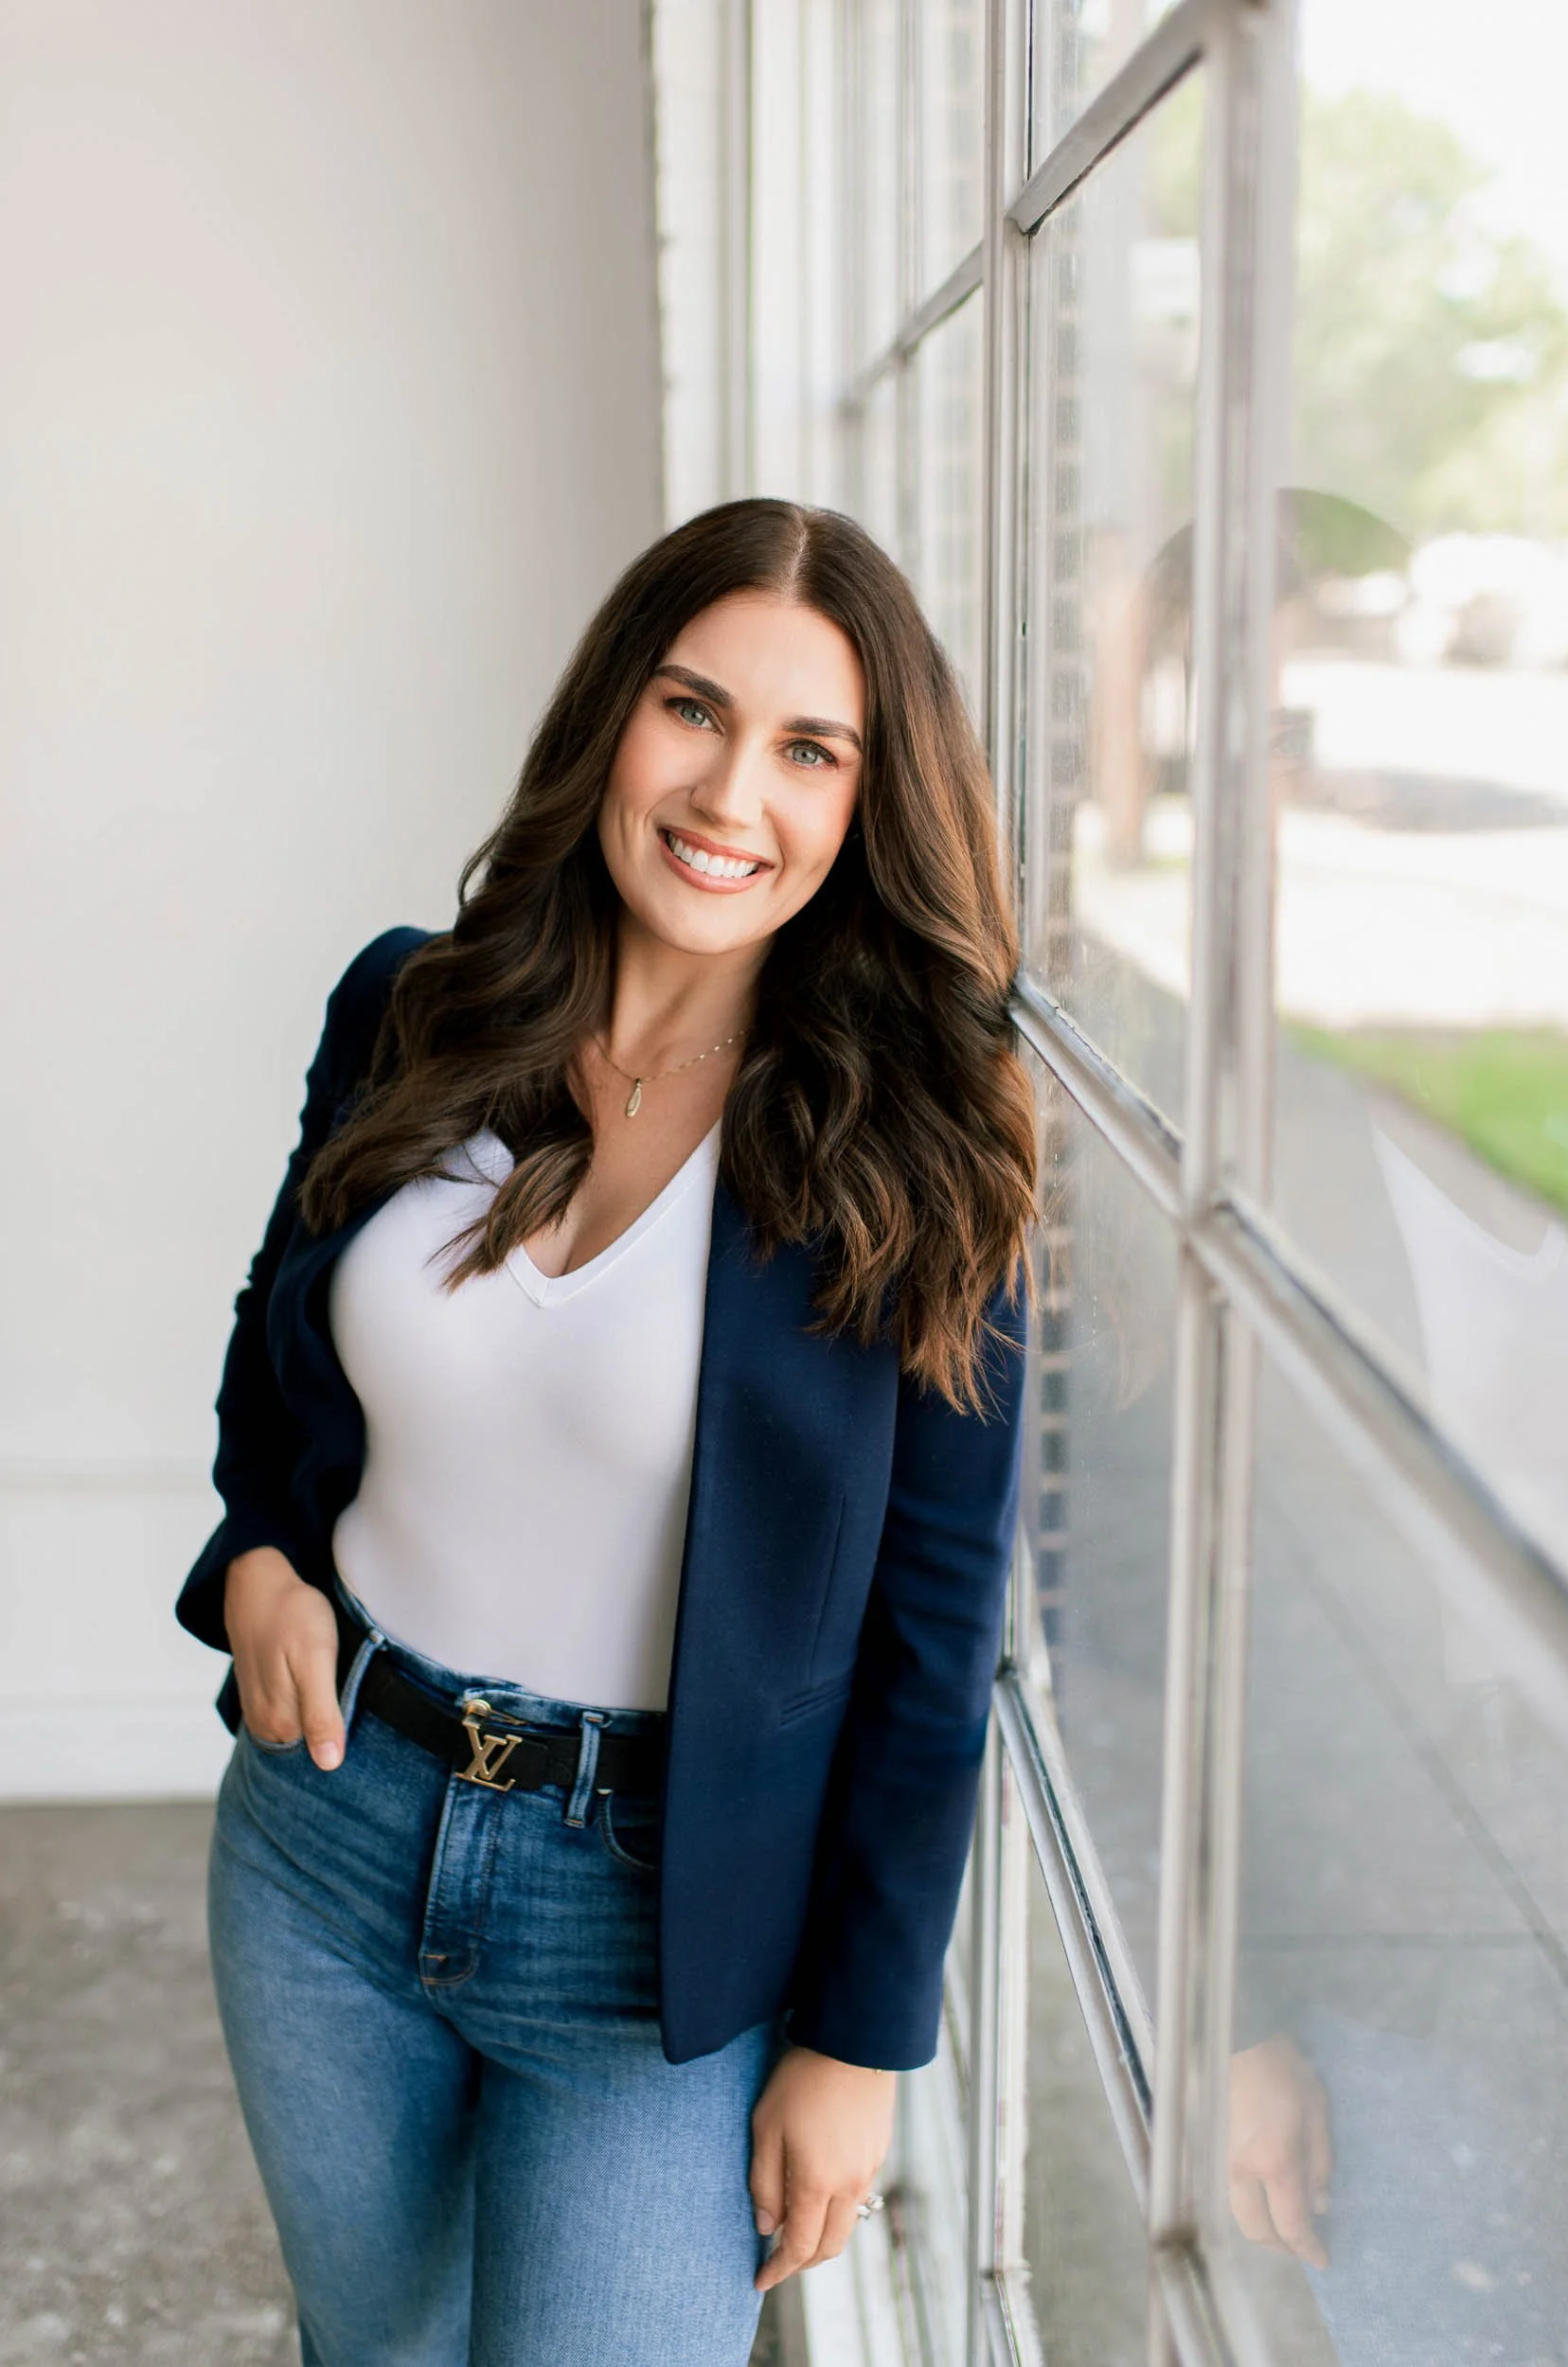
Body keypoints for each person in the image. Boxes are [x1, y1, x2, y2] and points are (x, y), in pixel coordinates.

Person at [177, 497, 1037, 2367]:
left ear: (870, 803)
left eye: (813, 747)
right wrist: (255, 1550)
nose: (734, 789)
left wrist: (862, 2033)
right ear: (612, 720)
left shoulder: (919, 1143)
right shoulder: (412, 1003)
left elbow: (937, 1634)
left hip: (663, 1931)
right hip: (329, 1832)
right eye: (693, 709)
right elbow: (283, 1333)